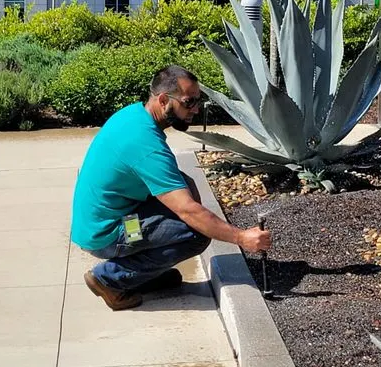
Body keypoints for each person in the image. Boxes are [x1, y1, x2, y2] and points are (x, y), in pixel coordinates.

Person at [71, 65, 271, 311]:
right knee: (194, 234)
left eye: (198, 101)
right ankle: (111, 279)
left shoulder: (134, 116)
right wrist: (241, 238)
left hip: (108, 218)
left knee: (183, 186)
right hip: (111, 233)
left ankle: (143, 275)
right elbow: (189, 211)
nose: (196, 109)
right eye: (189, 102)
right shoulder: (147, 146)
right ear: (164, 99)